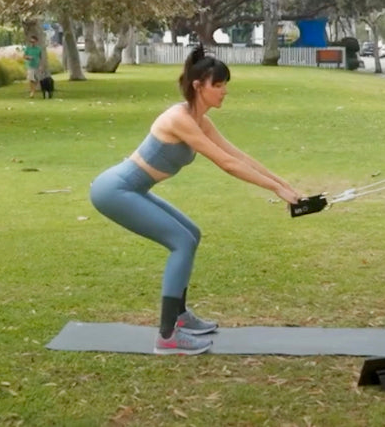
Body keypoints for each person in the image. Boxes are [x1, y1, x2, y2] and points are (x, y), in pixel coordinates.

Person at [89, 45, 304, 355]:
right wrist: (274, 190)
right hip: (115, 191)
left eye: (225, 84)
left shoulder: (200, 120)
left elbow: (237, 155)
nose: (224, 91)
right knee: (181, 241)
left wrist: (284, 184)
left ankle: (179, 317)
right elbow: (226, 164)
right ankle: (167, 336)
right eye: (217, 85)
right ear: (197, 86)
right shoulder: (179, 119)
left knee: (192, 234)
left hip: (133, 190)